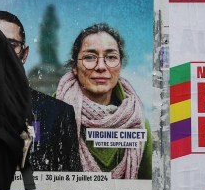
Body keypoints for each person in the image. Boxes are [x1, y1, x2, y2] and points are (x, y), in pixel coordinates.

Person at [55, 23, 151, 180]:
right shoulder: (50, 116)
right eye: (90, 57)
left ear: (120, 64)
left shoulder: (138, 123)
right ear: (74, 66)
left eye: (111, 57)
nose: (101, 66)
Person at [0, 10, 81, 172]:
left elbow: (70, 183)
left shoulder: (57, 113)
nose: (1, 52)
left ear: (24, 54)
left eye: (11, 45)